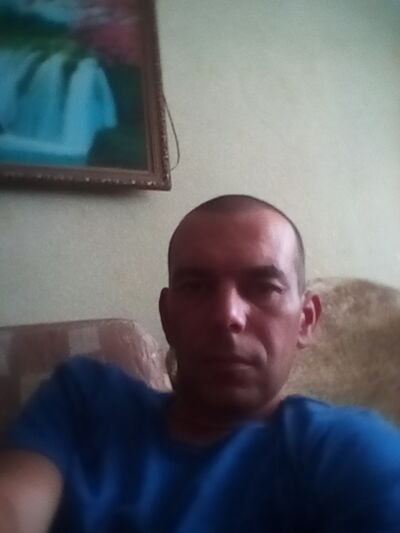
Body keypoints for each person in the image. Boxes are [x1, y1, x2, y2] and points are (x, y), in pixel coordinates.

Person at [1, 194, 400, 533]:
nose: (227, 315)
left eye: (264, 287)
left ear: (306, 320)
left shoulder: (351, 451)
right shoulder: (83, 401)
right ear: (167, 316)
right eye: (196, 287)